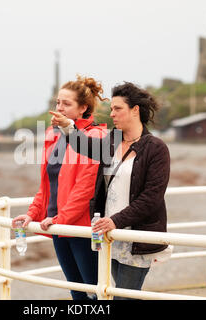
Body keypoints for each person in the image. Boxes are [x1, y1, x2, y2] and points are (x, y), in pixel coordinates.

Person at [50, 81, 172, 300]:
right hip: (110, 236)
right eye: (112, 108)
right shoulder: (113, 139)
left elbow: (151, 197)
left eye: (118, 109)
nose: (112, 114)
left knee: (123, 296)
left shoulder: (156, 148)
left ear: (135, 110)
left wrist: (116, 220)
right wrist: (67, 125)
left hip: (135, 237)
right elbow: (85, 146)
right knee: (114, 293)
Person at [12, 75, 108, 300]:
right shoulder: (54, 137)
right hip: (58, 225)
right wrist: (32, 214)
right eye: (58, 103)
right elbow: (47, 187)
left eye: (67, 104)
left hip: (83, 228)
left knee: (94, 291)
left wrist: (60, 219)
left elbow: (85, 190)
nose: (59, 108)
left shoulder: (95, 136)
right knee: (76, 291)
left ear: (83, 108)